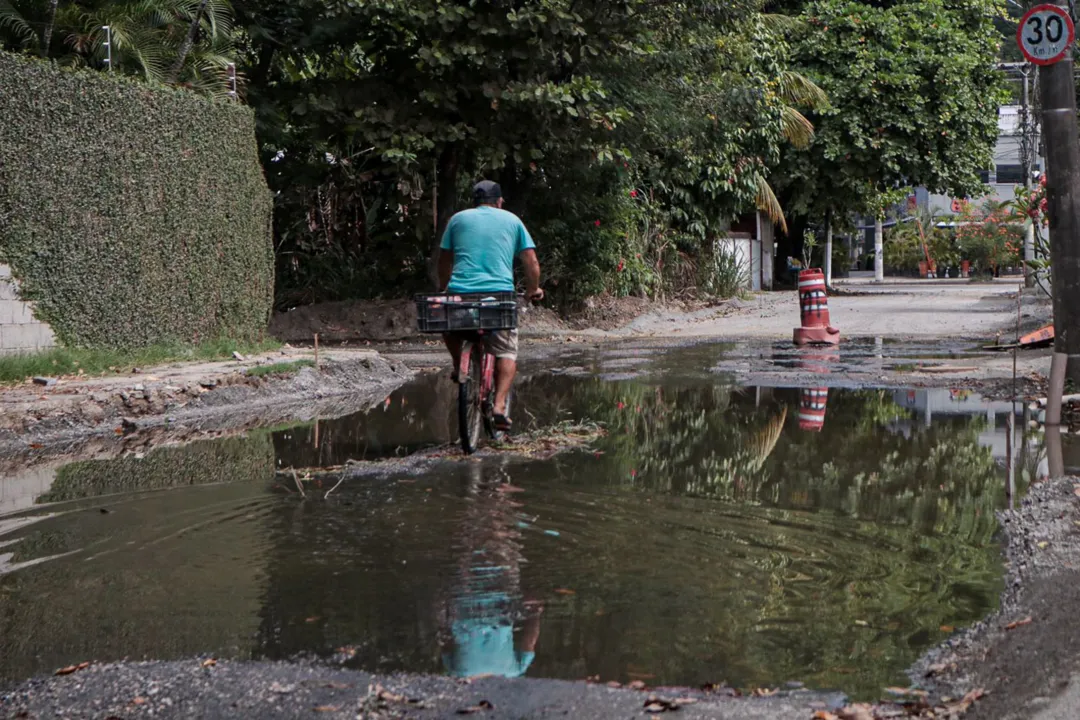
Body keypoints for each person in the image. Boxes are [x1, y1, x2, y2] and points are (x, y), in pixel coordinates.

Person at [438, 180, 543, 431]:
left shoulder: (457, 219)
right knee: (507, 350)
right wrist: (533, 289)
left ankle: (458, 366)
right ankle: (498, 406)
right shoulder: (512, 220)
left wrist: (445, 288)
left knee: (448, 324)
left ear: (474, 202)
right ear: (499, 201)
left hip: (461, 294)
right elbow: (530, 260)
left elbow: (444, 260)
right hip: (498, 295)